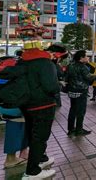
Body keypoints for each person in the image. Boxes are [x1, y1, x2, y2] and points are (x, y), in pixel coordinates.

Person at [21, 35, 61, 179]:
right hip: (43, 105)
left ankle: (40, 160)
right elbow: (51, 87)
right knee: (40, 136)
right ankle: (32, 171)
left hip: (27, 104)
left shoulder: (22, 62)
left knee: (33, 134)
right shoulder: (45, 63)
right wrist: (58, 86)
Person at [67, 50, 96, 136]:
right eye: (86, 56)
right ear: (81, 58)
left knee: (72, 110)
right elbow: (89, 78)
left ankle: (70, 129)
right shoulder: (83, 67)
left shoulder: (70, 65)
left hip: (72, 91)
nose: (88, 58)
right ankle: (79, 130)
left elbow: (67, 77)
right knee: (81, 111)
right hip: (81, 91)